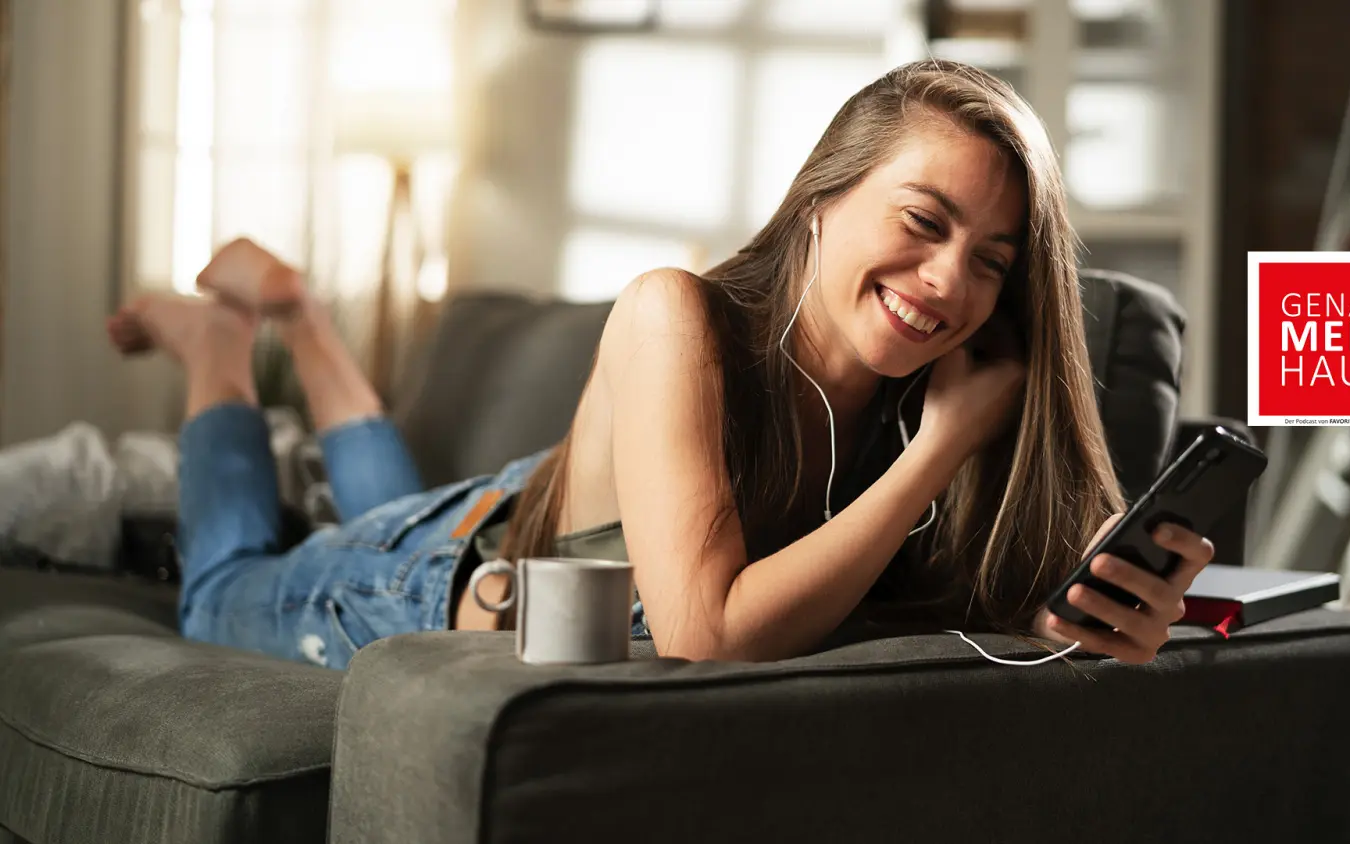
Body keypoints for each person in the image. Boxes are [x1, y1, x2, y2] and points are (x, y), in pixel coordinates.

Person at [106, 59, 1214, 670]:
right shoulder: (670, 315)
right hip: (431, 584)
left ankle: (299, 317)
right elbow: (706, 631)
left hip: (520, 527)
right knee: (215, 594)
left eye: (990, 262)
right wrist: (936, 454)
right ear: (822, 202)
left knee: (414, 504)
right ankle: (220, 350)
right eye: (922, 221)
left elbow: (986, 601)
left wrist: (1092, 613)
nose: (947, 280)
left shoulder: (956, 382)